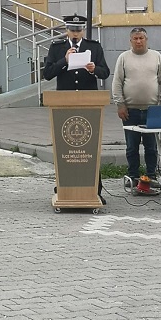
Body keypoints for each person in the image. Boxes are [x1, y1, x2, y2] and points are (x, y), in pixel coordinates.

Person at [44, 13, 110, 203]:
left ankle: (94, 190)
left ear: (83, 31)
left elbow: (105, 72)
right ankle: (65, 186)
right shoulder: (57, 48)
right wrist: (64, 61)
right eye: (72, 30)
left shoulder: (93, 47)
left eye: (78, 30)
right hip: (64, 103)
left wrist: (93, 70)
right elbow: (47, 74)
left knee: (89, 145)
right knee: (67, 146)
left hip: (89, 104)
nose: (75, 34)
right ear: (66, 30)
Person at [111, 26, 161, 187]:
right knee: (131, 147)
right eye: (135, 38)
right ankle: (133, 176)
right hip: (130, 111)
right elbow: (117, 82)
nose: (138, 41)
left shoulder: (156, 56)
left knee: (151, 147)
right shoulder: (123, 57)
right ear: (130, 41)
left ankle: (151, 175)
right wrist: (120, 104)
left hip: (152, 110)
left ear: (146, 40)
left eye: (141, 38)